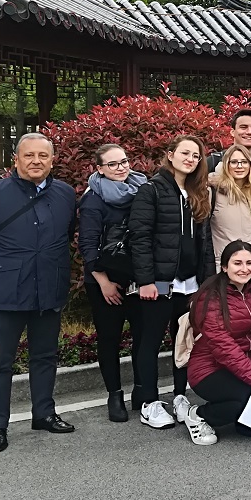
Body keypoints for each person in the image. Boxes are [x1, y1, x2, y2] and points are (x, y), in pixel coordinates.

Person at [0, 133, 77, 453]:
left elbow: (65, 235)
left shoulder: (65, 193)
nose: (36, 161)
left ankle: (44, 414)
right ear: (16, 159)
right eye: (29, 156)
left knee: (45, 357)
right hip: (3, 295)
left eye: (43, 156)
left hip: (48, 289)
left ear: (52, 160)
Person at [128, 135, 214, 431]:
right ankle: (149, 402)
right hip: (159, 285)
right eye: (185, 153)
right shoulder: (151, 189)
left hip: (190, 285)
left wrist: (206, 282)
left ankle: (180, 396)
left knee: (185, 341)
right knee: (150, 341)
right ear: (170, 154)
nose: (190, 159)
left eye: (196, 155)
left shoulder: (196, 192)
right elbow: (138, 238)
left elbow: (205, 243)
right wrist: (146, 280)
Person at [77, 143, 147, 422]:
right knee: (109, 339)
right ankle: (114, 394)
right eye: (113, 164)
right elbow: (87, 244)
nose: (121, 168)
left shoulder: (142, 188)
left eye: (124, 161)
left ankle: (141, 391)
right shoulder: (93, 199)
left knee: (143, 337)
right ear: (100, 169)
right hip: (105, 279)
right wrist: (103, 281)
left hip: (138, 278)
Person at [184, 241, 251, 445]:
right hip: (208, 369)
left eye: (249, 263)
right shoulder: (210, 297)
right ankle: (197, 414)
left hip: (246, 367)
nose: (244, 269)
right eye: (237, 263)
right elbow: (224, 348)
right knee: (245, 399)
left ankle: (240, 414)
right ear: (225, 267)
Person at [210, 144, 251, 286]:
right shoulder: (214, 191)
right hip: (226, 266)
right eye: (234, 162)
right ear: (226, 165)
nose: (239, 166)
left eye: (244, 162)